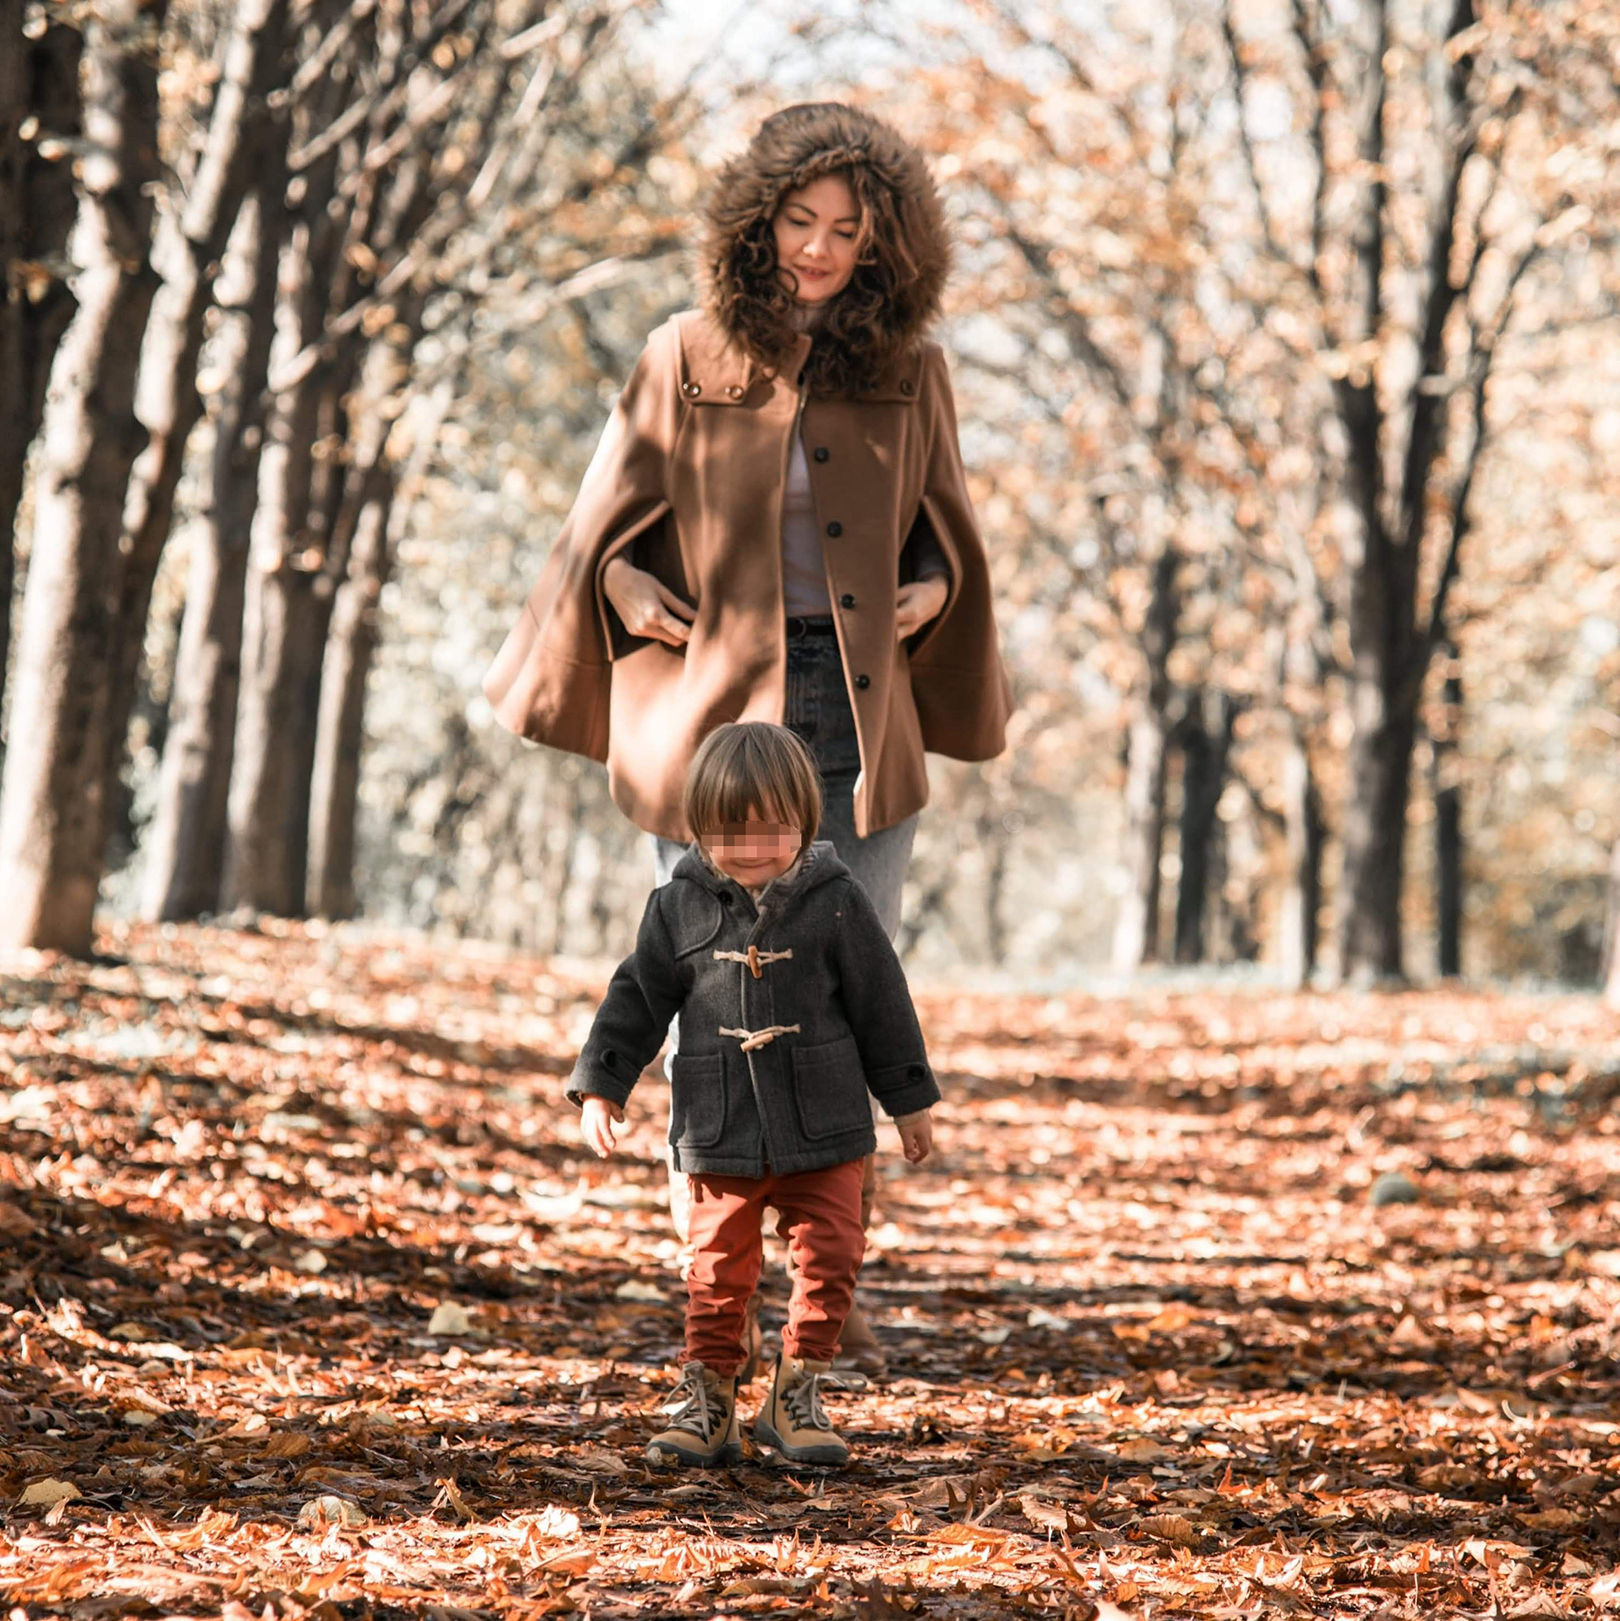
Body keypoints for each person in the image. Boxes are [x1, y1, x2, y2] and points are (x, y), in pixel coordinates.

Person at [483, 101, 1010, 1373]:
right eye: (800, 222)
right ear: (757, 217)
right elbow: (603, 516)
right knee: (706, 980)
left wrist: (930, 592)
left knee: (843, 970)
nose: (821, 251)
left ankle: (822, 1293)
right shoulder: (685, 350)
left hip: (854, 705)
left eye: (848, 231)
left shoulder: (911, 368)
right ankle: (709, 1282)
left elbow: (943, 532)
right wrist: (617, 588)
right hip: (715, 705)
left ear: (887, 244)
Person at [566, 723, 939, 1467]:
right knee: (714, 1271)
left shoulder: (837, 901)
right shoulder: (678, 907)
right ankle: (710, 1398)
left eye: (774, 825)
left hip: (826, 1126)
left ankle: (796, 1392)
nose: (753, 844)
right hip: (720, 1126)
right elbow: (635, 997)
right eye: (730, 829)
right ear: (698, 827)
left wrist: (908, 1100)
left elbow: (883, 1004)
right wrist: (604, 1084)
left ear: (805, 819)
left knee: (833, 1255)